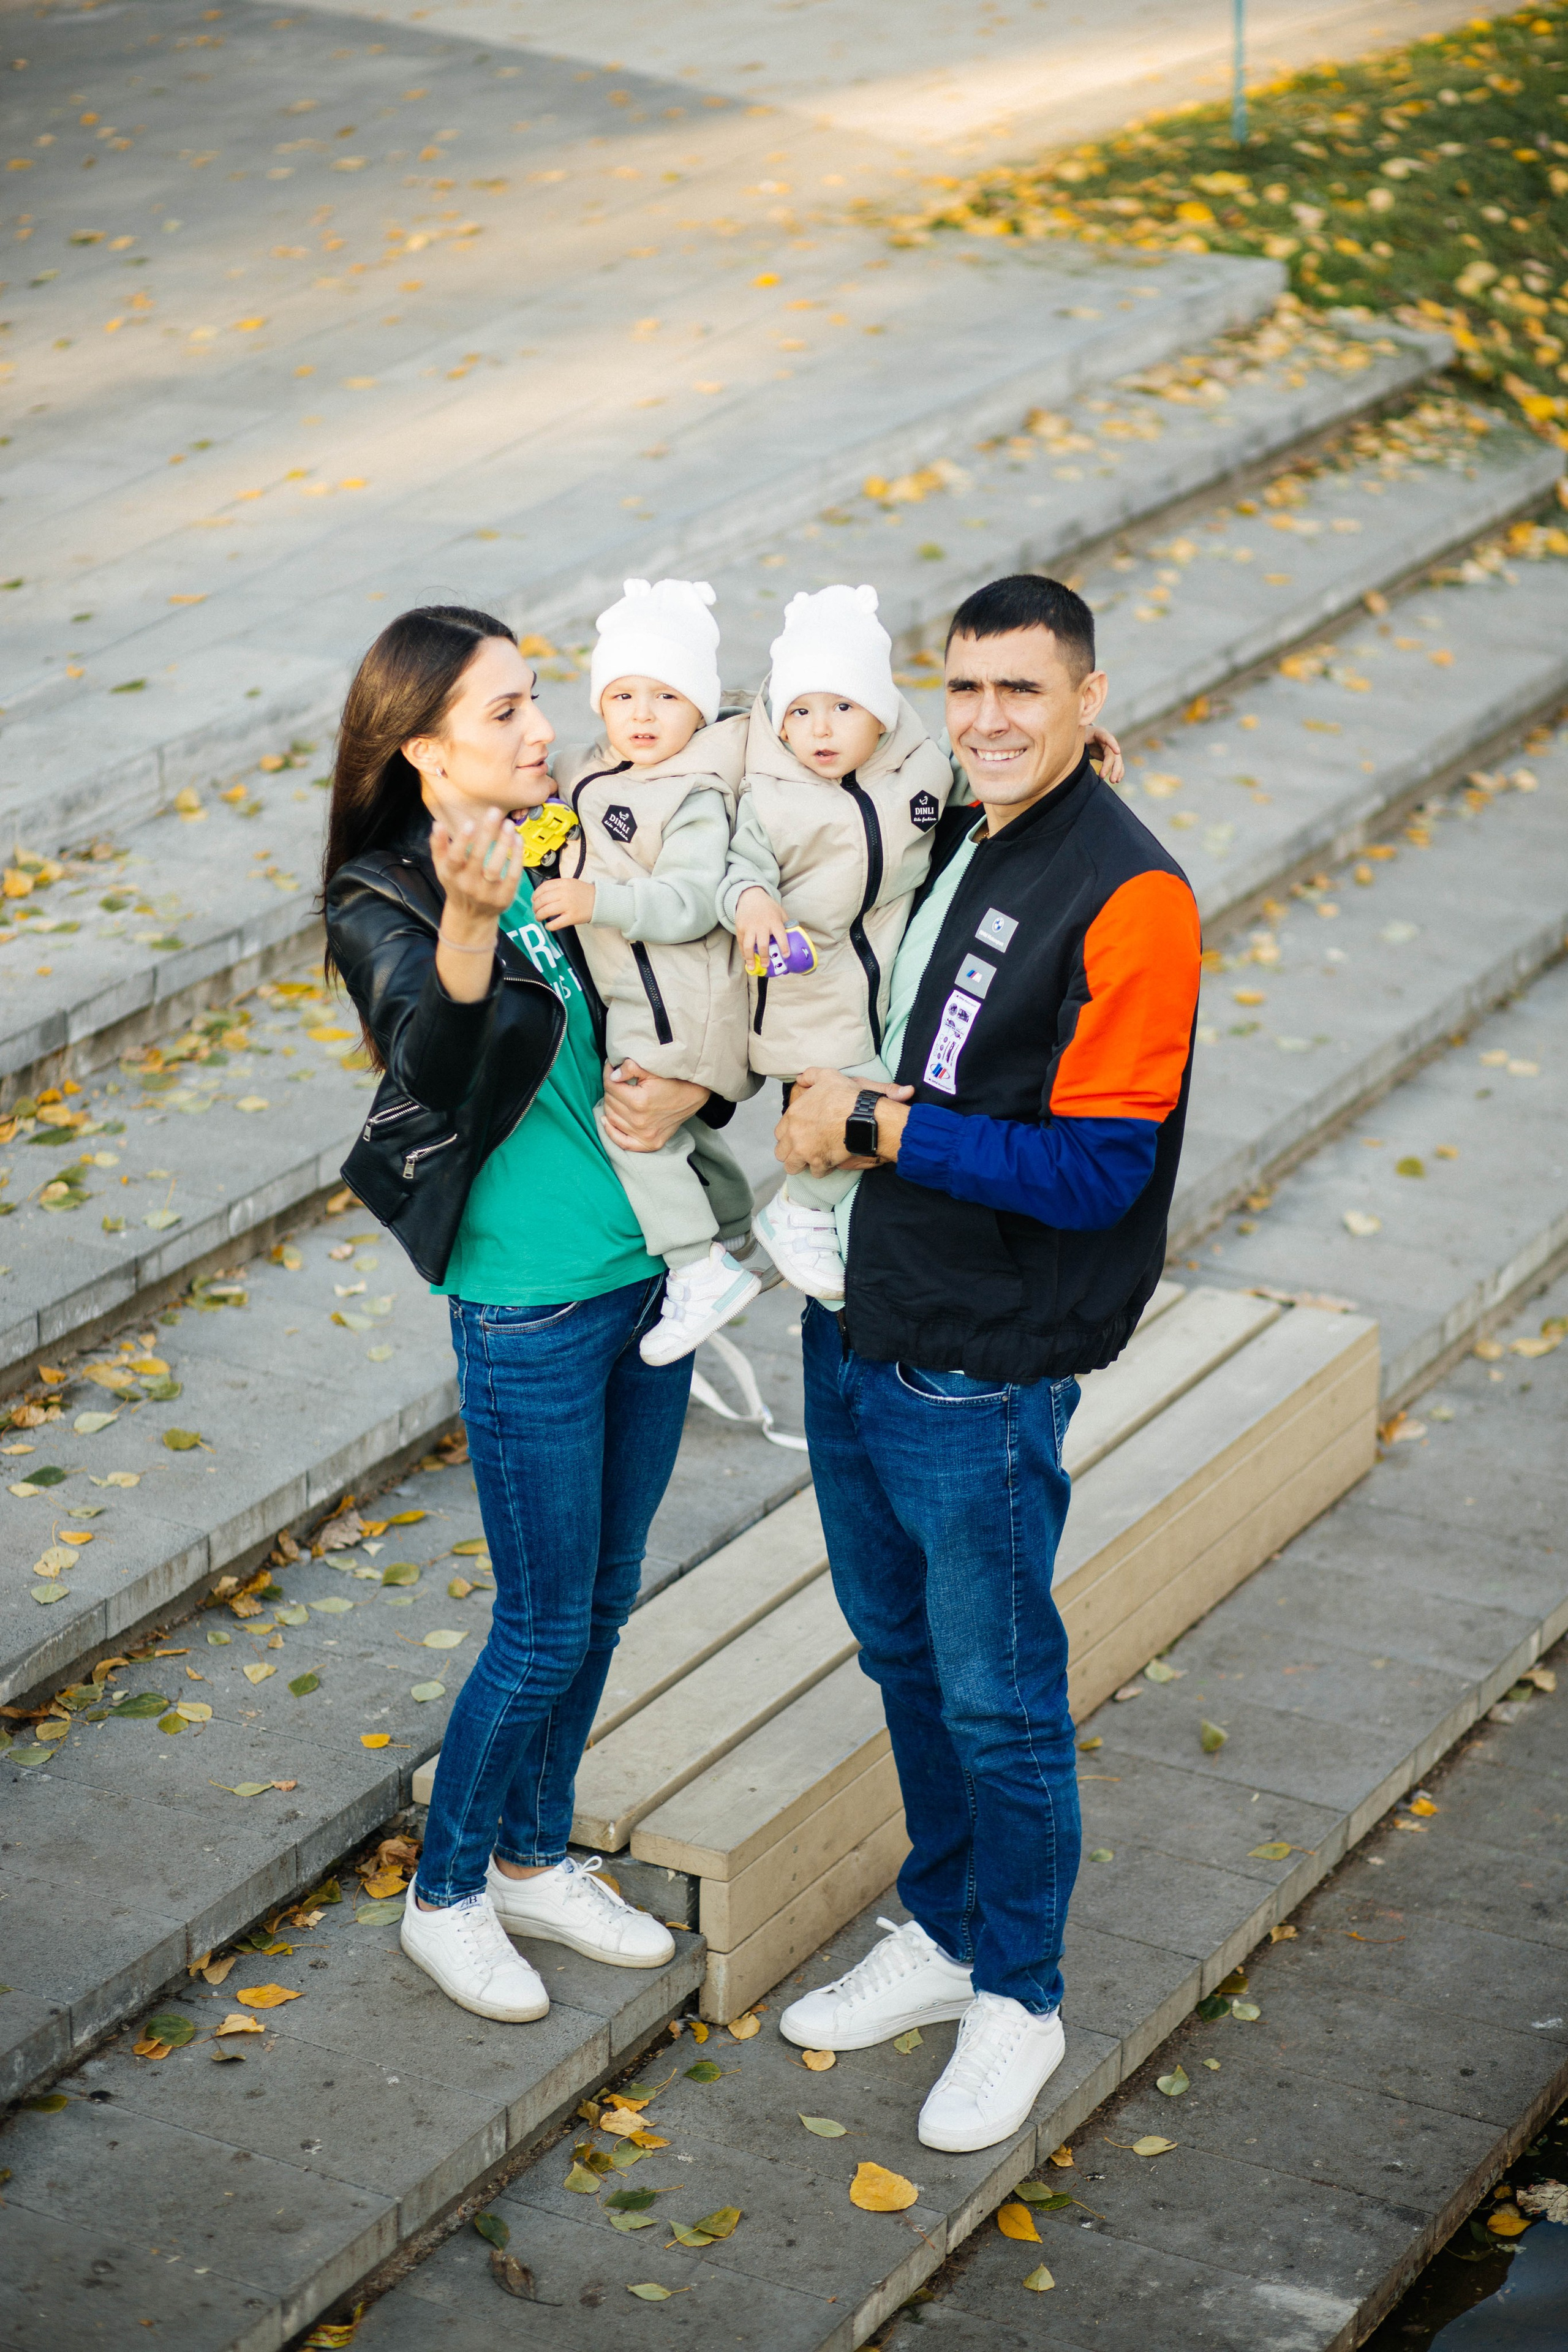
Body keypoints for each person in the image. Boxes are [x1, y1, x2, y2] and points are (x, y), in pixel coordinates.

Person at [771, 574, 1202, 2154]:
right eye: (962, 688)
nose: (986, 719)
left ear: (1089, 699)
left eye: (1021, 690)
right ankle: (945, 1931)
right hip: (868, 1307)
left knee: (999, 1695)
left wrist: (871, 1122)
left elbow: (1096, 1170)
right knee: (897, 1653)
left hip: (982, 1357)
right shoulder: (962, 820)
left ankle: (1019, 1992)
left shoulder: (1131, 893)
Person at [323, 604, 729, 2023]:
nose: (542, 725)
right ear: (425, 748)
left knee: (605, 1596)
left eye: (534, 696)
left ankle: (534, 1853)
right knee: (545, 1615)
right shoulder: (380, 897)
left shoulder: (578, 836)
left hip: (643, 1275)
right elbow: (431, 1065)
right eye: (503, 712)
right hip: (528, 1305)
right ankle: (447, 1892)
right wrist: (470, 924)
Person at [532, 576, 761, 1368]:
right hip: (644, 1000)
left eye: (665, 696)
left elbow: (696, 900)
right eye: (623, 693)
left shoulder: (692, 791)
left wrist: (600, 899)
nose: (641, 713)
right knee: (677, 1131)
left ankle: (699, 1269)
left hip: (683, 1004)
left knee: (628, 1128)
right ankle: (733, 1223)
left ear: (699, 708)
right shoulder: (595, 767)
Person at [720, 583, 962, 1309]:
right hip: (808, 986)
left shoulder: (919, 764)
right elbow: (738, 869)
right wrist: (754, 899)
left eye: (842, 708)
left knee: (895, 1082)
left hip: (886, 969)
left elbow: (979, 768)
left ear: (881, 714)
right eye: (800, 711)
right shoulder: (771, 793)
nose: (819, 730)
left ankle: (817, 1215)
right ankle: (799, 1207)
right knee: (862, 1098)